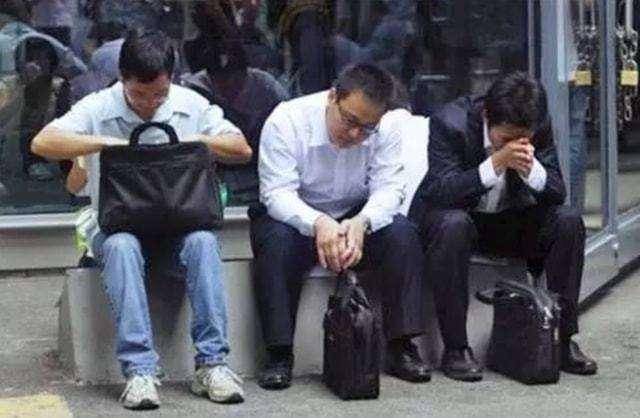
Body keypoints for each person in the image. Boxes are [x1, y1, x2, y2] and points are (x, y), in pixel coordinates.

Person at [31, 29, 252, 410]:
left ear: (171, 80)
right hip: (119, 227)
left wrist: (196, 142)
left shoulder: (189, 104)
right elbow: (42, 143)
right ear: (122, 78)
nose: (150, 104)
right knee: (120, 246)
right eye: (138, 94)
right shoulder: (99, 107)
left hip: (178, 227)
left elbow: (241, 148)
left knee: (203, 241)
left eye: (159, 95)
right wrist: (105, 143)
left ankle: (212, 364)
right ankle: (140, 370)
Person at [409, 72, 598, 382]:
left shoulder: (536, 125)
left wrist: (531, 169)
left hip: (507, 221)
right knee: (452, 224)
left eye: (521, 139)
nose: (514, 145)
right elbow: (440, 192)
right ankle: (456, 348)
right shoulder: (450, 122)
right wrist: (495, 164)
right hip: (458, 222)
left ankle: (562, 340)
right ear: (487, 117)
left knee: (568, 221)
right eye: (505, 138)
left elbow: (557, 191)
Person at [251, 63, 430, 390]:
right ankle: (279, 353)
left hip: (354, 217)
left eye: (367, 128)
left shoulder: (386, 127)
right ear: (332, 97)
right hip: (299, 217)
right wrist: (318, 222)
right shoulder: (287, 120)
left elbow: (390, 189)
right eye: (349, 121)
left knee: (402, 233)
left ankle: (402, 346)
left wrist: (363, 222)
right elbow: (276, 194)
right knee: (274, 238)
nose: (355, 134)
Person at [181, 40, 288, 205]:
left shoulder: (267, 86)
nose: (230, 86)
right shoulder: (192, 93)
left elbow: (289, 129)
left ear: (246, 72)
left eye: (236, 80)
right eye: (222, 82)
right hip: (213, 175)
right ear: (209, 77)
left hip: (265, 169)